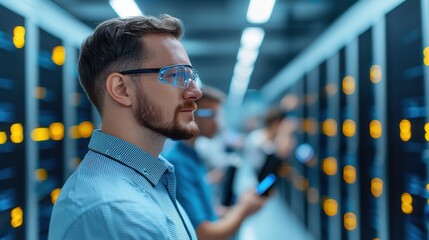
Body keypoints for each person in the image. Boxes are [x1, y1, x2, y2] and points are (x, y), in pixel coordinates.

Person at [48, 14, 202, 239]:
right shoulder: (115, 213)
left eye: (190, 76)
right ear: (121, 89)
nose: (195, 91)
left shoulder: (150, 179)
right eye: (175, 75)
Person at [162, 86, 266, 240]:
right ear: (192, 113)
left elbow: (206, 212)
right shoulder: (177, 162)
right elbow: (203, 234)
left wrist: (239, 207)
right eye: (212, 114)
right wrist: (243, 209)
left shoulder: (193, 156)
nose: (218, 122)